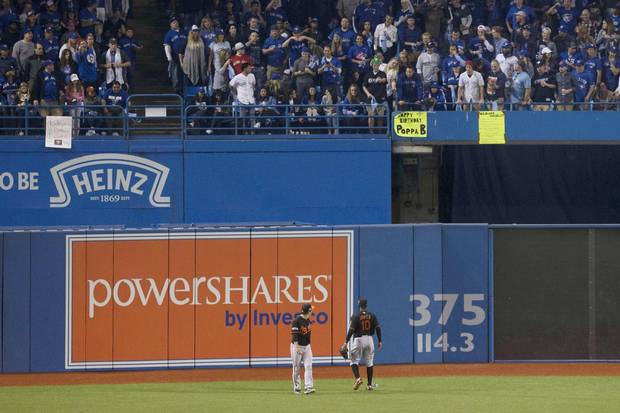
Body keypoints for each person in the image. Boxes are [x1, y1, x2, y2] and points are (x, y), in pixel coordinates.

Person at [343, 298, 382, 392]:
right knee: (369, 363)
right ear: (366, 305)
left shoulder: (356, 317)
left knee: (353, 361)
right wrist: (380, 340)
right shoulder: (372, 315)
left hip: (359, 340)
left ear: (359, 306)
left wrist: (346, 342)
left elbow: (351, 330)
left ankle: (358, 379)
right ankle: (369, 385)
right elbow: (378, 328)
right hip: (369, 340)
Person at [291, 303, 314, 395]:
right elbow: (294, 335)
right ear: (308, 311)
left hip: (307, 346)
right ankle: (297, 386)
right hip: (297, 346)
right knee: (296, 367)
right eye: (310, 310)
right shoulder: (296, 321)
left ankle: (308, 387)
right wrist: (296, 347)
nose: (312, 311)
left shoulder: (308, 320)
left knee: (308, 366)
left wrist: (308, 345)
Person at [229, 62, 256, 133]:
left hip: (251, 100)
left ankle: (252, 132)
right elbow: (230, 84)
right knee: (243, 118)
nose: (250, 69)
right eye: (249, 68)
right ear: (245, 69)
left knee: (252, 117)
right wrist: (235, 94)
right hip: (242, 100)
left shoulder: (252, 76)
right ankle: (244, 132)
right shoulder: (238, 77)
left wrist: (252, 93)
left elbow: (253, 85)